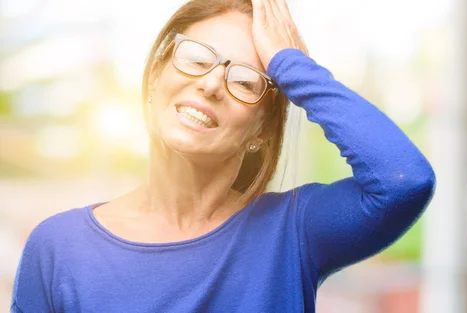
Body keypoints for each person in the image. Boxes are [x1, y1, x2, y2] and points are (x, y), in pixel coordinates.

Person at [10, 0, 436, 312]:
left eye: (246, 81)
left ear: (259, 132)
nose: (212, 84)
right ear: (156, 78)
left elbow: (403, 180)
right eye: (196, 58)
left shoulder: (294, 232)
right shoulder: (58, 248)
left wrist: (292, 65)